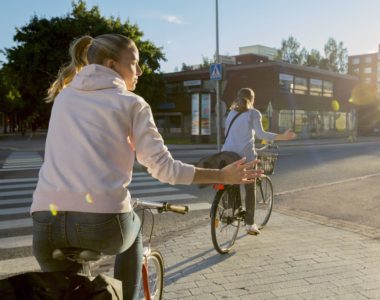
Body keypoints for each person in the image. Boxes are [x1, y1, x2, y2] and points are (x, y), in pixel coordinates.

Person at [30, 34, 261, 300]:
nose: (140, 71)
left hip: (45, 224)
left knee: (74, 293)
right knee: (135, 226)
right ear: (112, 64)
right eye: (135, 63)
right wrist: (221, 175)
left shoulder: (64, 97)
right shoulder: (131, 103)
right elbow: (165, 168)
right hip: (102, 223)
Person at [221, 87, 296, 235]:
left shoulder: (231, 113)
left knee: (233, 182)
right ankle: (250, 224)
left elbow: (228, 134)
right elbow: (261, 134)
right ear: (252, 99)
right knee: (250, 186)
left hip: (226, 154)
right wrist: (282, 136)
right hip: (245, 156)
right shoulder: (253, 113)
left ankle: (234, 212)